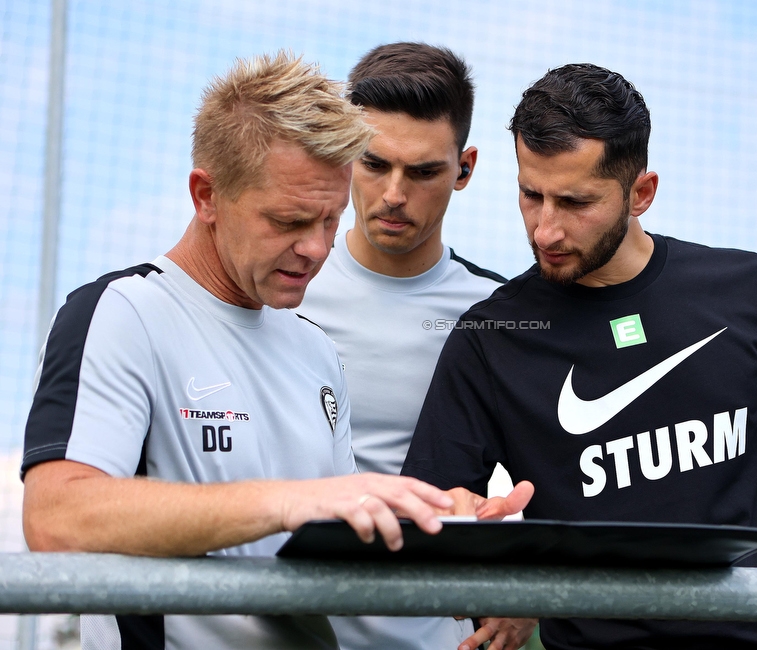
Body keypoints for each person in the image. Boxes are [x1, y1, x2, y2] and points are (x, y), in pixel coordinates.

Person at [19, 52, 525, 650]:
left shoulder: (313, 348)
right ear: (206, 195)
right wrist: (289, 501)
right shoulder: (122, 313)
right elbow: (57, 518)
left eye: (330, 220)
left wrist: (431, 522)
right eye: (287, 221)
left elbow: (326, 547)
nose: (314, 249)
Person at [403, 63, 757, 650]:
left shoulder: (749, 289)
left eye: (575, 202)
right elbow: (431, 515)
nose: (545, 229)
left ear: (641, 193)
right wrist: (471, 540)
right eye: (531, 195)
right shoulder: (492, 336)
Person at [299, 43, 535, 650]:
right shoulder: (281, 288)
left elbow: (552, 475)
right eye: (373, 164)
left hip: (439, 635)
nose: (394, 194)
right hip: (286, 625)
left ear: (465, 168)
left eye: (424, 171)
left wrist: (526, 587)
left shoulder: (501, 316)